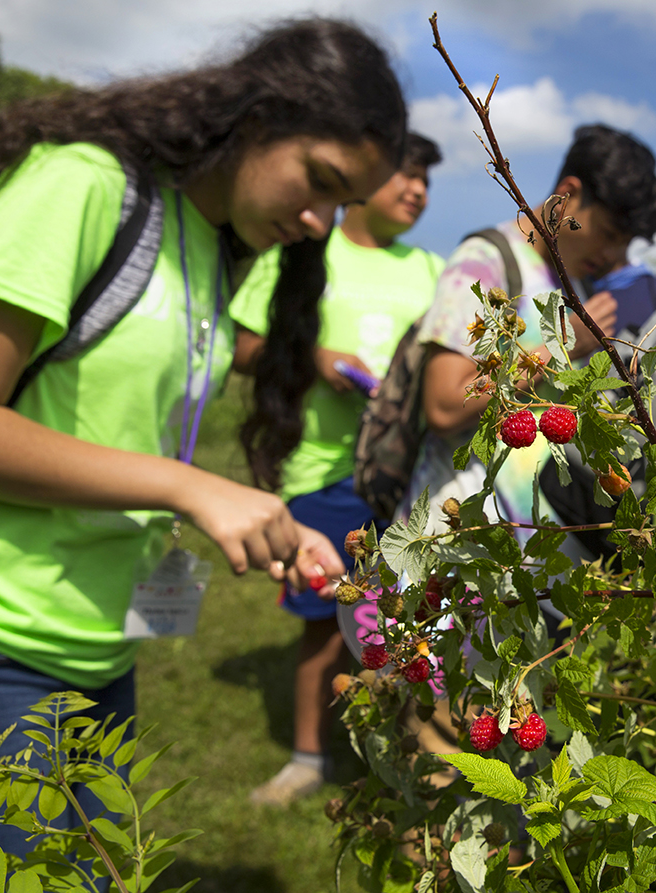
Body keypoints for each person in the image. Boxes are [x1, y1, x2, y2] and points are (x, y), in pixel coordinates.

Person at [0, 18, 404, 864]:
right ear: (256, 119)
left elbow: (103, 434)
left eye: (343, 204)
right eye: (321, 181)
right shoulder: (81, 185)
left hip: (99, 653)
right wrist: (186, 485)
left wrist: (262, 516)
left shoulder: (209, 245)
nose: (321, 219)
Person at [231, 133, 445, 806]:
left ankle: (410, 755)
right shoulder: (304, 253)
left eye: (426, 182)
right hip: (323, 470)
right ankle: (306, 757)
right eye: (405, 177)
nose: (417, 191)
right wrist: (314, 360)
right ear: (365, 179)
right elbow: (242, 346)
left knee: (412, 620)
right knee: (324, 617)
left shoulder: (436, 269)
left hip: (406, 476)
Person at [410, 123, 656, 532]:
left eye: (626, 243)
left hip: (538, 536)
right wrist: (564, 343)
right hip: (463, 527)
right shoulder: (484, 261)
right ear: (568, 195)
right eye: (610, 234)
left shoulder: (575, 284)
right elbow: (443, 404)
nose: (614, 255)